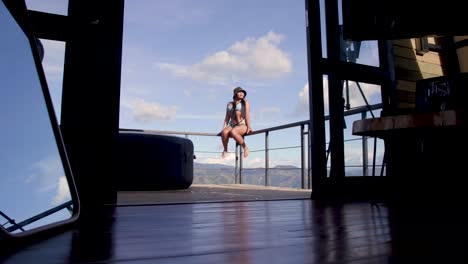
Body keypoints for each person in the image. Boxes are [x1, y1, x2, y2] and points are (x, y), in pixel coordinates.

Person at [220, 86, 252, 158]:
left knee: (233, 132)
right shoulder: (229, 104)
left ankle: (245, 148)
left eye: (243, 92)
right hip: (232, 124)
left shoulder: (245, 102)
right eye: (239, 92)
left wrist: (249, 126)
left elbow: (247, 115)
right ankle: (225, 150)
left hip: (242, 124)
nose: (242, 93)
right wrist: (223, 128)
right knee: (224, 132)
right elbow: (227, 118)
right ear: (235, 94)